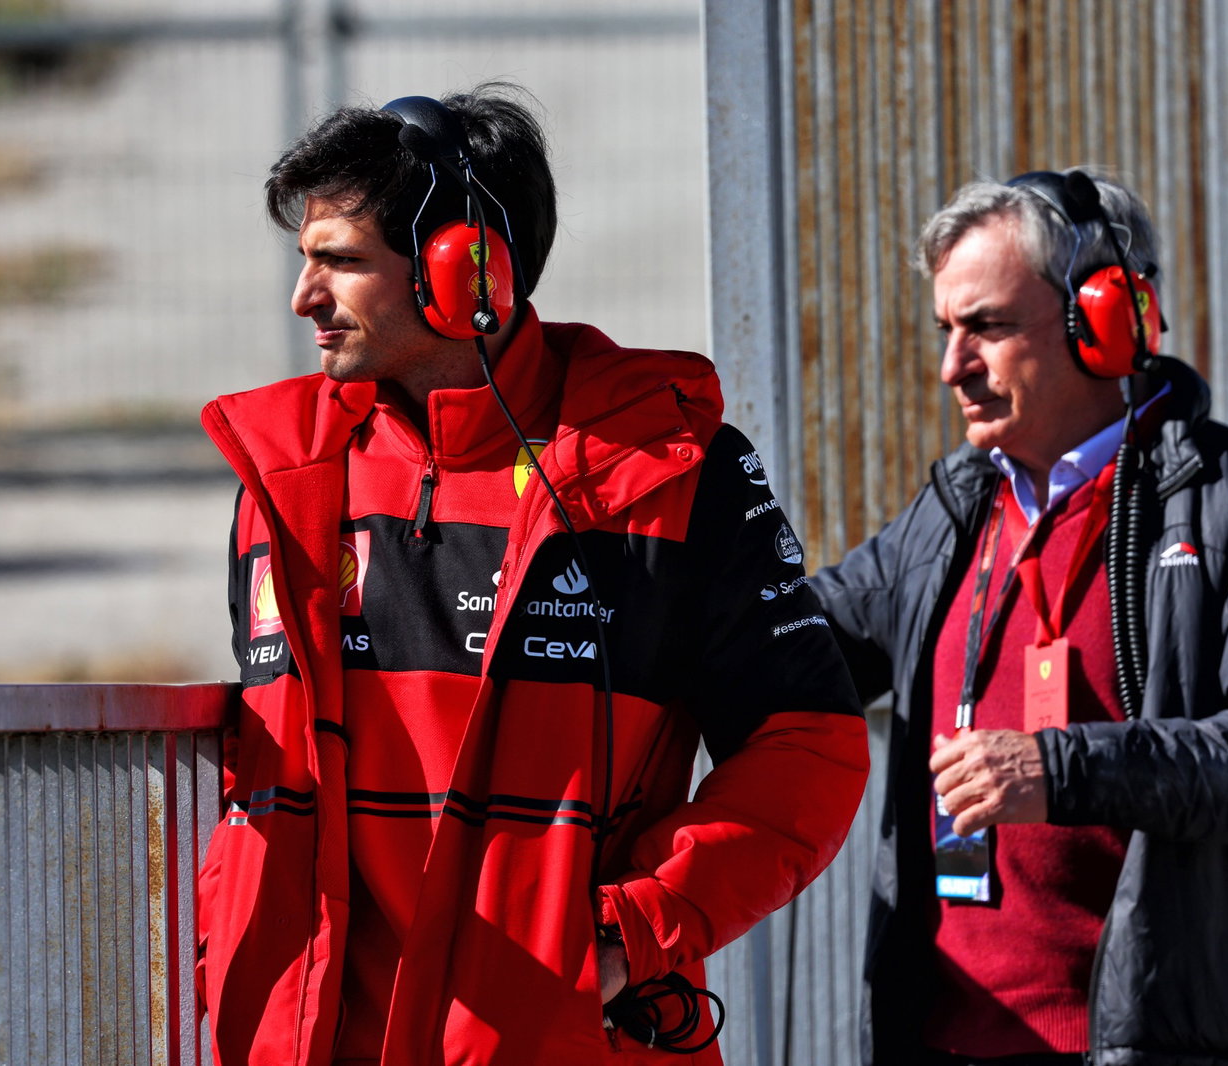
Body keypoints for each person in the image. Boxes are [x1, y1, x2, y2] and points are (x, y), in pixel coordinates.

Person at [195, 82, 868, 1066]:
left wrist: (632, 930)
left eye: (338, 263)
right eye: (306, 262)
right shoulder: (283, 479)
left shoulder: (671, 473)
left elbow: (808, 747)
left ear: (465, 270)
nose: (304, 298)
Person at [810, 168, 1228, 1066]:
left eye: (987, 327)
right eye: (946, 331)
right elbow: (796, 650)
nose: (953, 366)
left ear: (1105, 318)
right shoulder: (950, 518)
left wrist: (1063, 766)